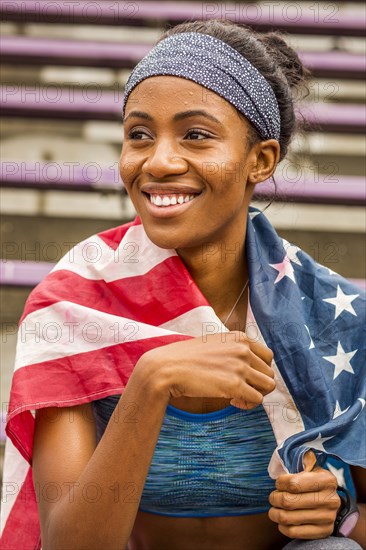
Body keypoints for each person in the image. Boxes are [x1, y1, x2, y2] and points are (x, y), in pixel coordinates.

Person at [1, 20, 365, 550]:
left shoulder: (331, 315)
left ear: (260, 160)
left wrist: (343, 515)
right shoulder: (73, 305)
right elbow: (69, 545)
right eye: (139, 134)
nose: (159, 161)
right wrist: (151, 381)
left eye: (196, 135)